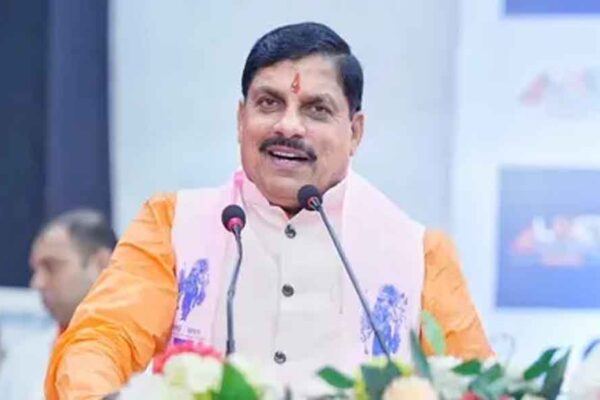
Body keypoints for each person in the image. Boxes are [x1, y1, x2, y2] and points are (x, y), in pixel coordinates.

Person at [45, 22, 492, 399]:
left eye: (317, 110)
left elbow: (479, 385)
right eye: (269, 103)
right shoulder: (172, 225)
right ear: (241, 120)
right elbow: (102, 337)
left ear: (354, 132)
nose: (288, 126)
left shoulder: (418, 255)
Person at [0, 209, 116, 399]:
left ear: (102, 264)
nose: (37, 283)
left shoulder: (156, 356)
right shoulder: (21, 362)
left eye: (51, 266)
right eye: (36, 270)